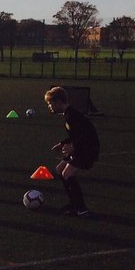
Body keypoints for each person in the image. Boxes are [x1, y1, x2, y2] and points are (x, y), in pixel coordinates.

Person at [45, 86, 99, 216]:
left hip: (87, 150)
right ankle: (74, 203)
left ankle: (82, 208)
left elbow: (86, 134)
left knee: (67, 174)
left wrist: (73, 146)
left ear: (58, 102)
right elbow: (76, 134)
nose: (49, 106)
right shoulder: (69, 114)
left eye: (50, 103)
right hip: (82, 147)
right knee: (59, 170)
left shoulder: (72, 116)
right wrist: (63, 143)